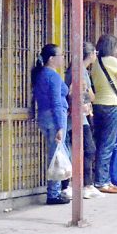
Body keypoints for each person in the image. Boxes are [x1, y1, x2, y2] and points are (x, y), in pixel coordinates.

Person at [91, 34, 117, 194]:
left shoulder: (96, 63)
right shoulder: (112, 62)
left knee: (99, 142)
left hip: (98, 105)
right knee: (107, 144)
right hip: (111, 105)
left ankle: (99, 179)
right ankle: (102, 181)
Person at [32, 44, 70, 205]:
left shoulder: (40, 75)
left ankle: (61, 188)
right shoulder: (53, 76)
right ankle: (53, 193)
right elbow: (56, 100)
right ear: (51, 59)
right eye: (60, 55)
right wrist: (61, 126)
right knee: (56, 156)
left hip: (43, 115)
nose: (63, 58)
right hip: (55, 117)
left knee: (59, 153)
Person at [65, 41, 103, 199]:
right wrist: (83, 103)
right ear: (91, 53)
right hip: (76, 116)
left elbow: (91, 95)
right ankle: (84, 184)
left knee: (85, 149)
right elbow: (74, 91)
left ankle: (84, 183)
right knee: (88, 148)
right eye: (95, 52)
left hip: (83, 116)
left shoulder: (82, 71)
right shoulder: (78, 71)